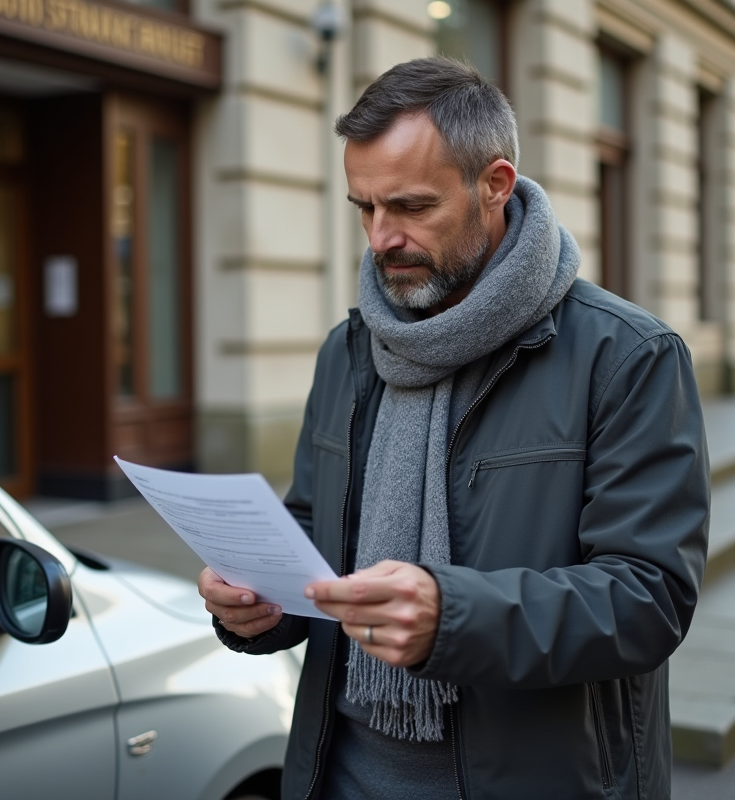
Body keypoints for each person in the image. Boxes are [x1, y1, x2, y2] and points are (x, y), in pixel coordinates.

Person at [198, 57, 709, 800]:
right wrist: (259, 603)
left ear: (495, 185)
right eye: (364, 208)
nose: (380, 239)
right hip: (337, 775)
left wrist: (455, 617)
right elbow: (313, 529)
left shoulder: (627, 356)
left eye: (409, 207)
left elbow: (649, 598)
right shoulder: (349, 350)